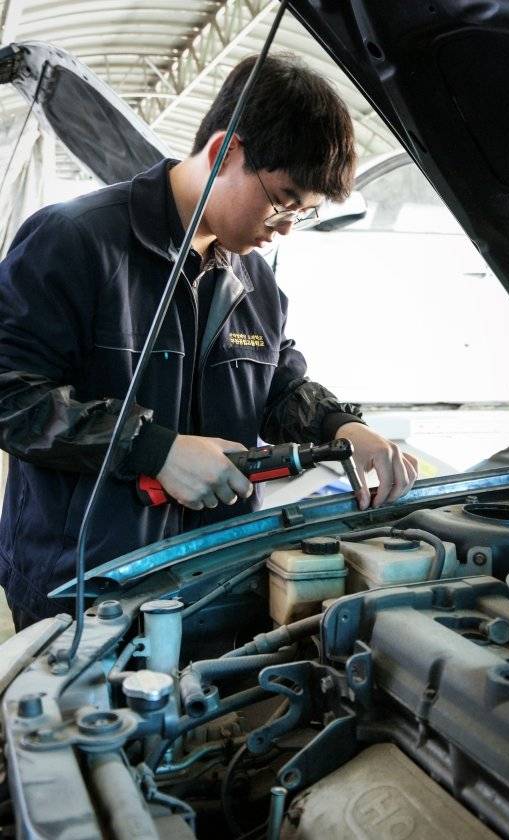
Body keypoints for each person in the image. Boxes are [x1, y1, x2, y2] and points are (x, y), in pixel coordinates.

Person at [0, 54, 418, 631]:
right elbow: (11, 395)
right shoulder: (73, 241)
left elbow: (277, 386)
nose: (287, 227)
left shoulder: (256, 281)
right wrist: (156, 450)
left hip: (214, 581)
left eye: (306, 212)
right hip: (84, 589)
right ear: (225, 152)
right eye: (284, 199)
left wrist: (342, 429)